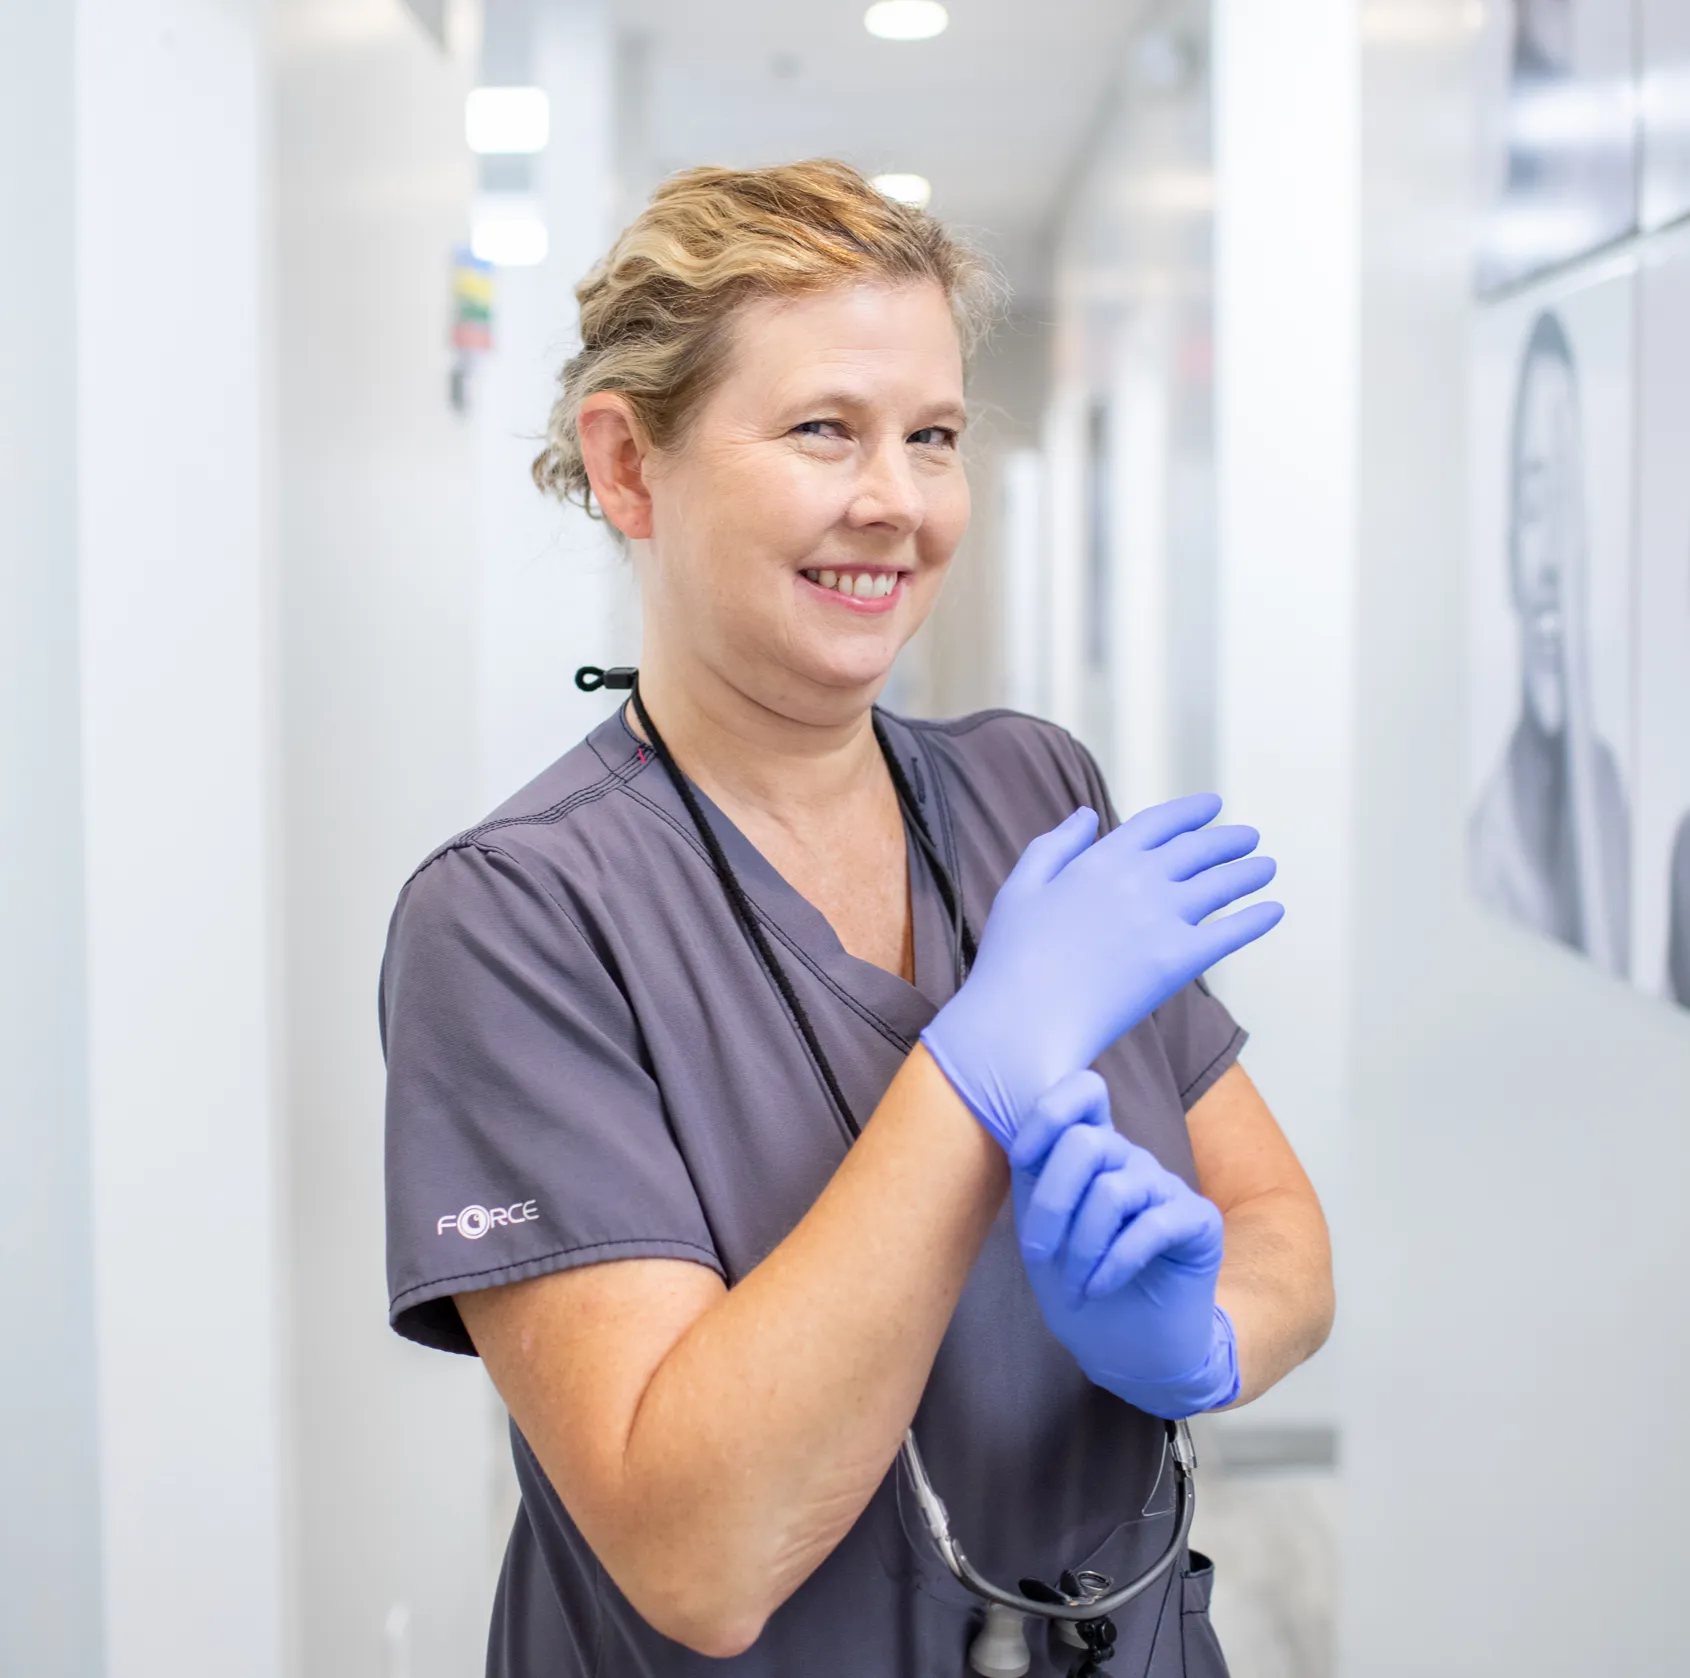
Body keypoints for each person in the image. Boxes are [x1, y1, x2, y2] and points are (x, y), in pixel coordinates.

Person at [380, 160, 1334, 1678]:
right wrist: (977, 1067)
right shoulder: (516, 918)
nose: (894, 500)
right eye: (824, 427)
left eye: (933, 437)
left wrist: (1195, 1339)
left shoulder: (1030, 789)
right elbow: (698, 1558)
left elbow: (1279, 1228)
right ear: (629, 466)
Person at [1470, 308, 1630, 975]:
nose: (1553, 566)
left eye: (1573, 505)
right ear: (1507, 548)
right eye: (1537, 508)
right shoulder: (1487, 848)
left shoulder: (1611, 799)